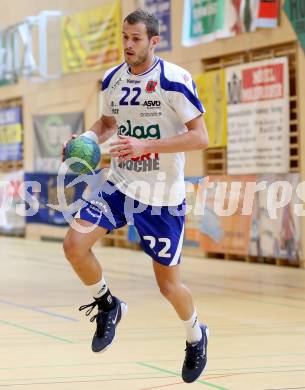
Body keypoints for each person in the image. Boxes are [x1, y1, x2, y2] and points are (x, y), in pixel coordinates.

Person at [63, 9, 209, 383]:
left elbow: (200, 137)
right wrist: (86, 141)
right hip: (119, 184)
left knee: (168, 286)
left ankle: (195, 333)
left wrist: (148, 144)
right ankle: (108, 304)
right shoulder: (112, 79)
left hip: (161, 197)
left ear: (154, 41)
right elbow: (108, 124)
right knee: (74, 245)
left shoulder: (175, 80)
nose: (128, 45)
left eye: (136, 39)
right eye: (124, 38)